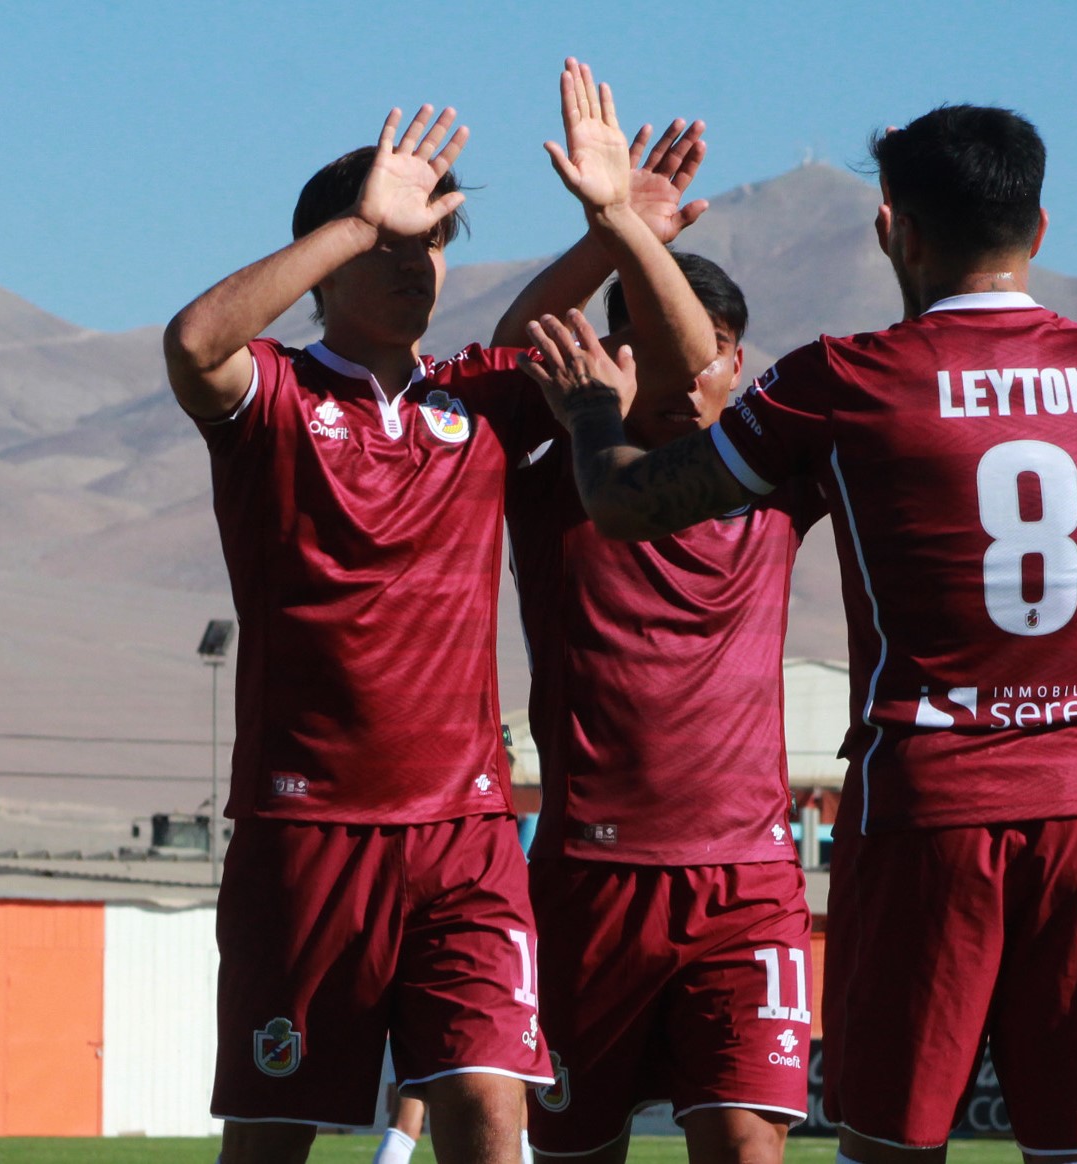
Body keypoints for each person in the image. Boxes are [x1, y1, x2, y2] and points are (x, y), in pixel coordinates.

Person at [520, 103, 1077, 1163]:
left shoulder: (843, 381)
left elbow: (630, 502)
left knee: (891, 1146)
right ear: (1038, 228)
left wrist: (590, 411)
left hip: (927, 808)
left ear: (889, 227)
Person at [161, 59, 714, 1164]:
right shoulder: (271, 396)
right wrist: (359, 221)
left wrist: (616, 228)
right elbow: (192, 346)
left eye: (435, 241)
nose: (421, 265)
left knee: (485, 1105)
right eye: (396, 246)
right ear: (335, 253)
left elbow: (687, 374)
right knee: (270, 1139)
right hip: (304, 834)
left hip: (462, 837)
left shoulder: (478, 401)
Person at [498, 239, 822, 1161]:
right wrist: (607, 233)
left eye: (708, 346)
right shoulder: (553, 462)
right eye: (655, 347)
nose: (686, 371)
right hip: (590, 884)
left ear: (738, 362)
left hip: (746, 887)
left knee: (745, 1147)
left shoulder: (781, 474)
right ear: (611, 358)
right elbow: (508, 343)